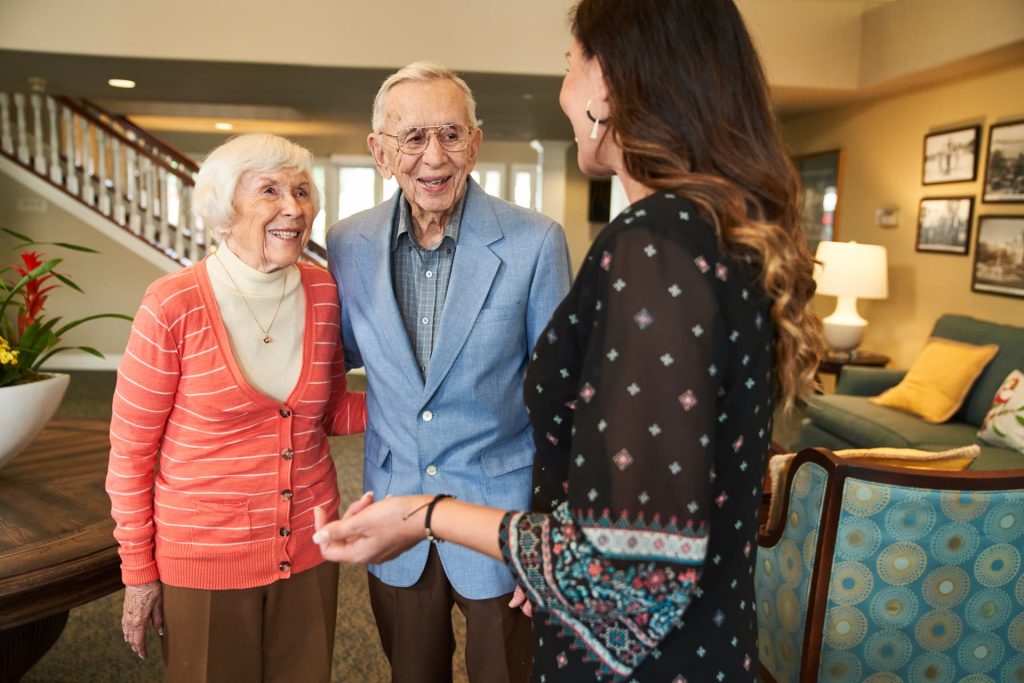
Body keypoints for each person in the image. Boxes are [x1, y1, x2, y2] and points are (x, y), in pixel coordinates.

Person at [313, 1, 825, 680]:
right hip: (706, 634)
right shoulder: (703, 234)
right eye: (412, 137)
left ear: (612, 87)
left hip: (643, 656)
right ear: (381, 151)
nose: (563, 88)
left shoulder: (654, 252)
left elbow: (626, 579)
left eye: (570, 63)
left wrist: (435, 514)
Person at [325, 62, 572, 682]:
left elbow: (563, 404)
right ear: (380, 152)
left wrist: (544, 536)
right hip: (396, 514)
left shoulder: (535, 242)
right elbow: (338, 362)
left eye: (451, 134)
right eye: (412, 137)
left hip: (502, 520)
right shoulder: (346, 244)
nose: (433, 156)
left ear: (476, 144)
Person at [106, 133, 367, 682]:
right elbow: (131, 455)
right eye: (269, 191)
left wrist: (426, 401)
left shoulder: (324, 293)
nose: (293, 208)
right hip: (204, 556)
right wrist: (138, 572)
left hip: (309, 543)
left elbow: (328, 412)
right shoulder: (172, 304)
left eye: (301, 190)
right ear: (224, 213)